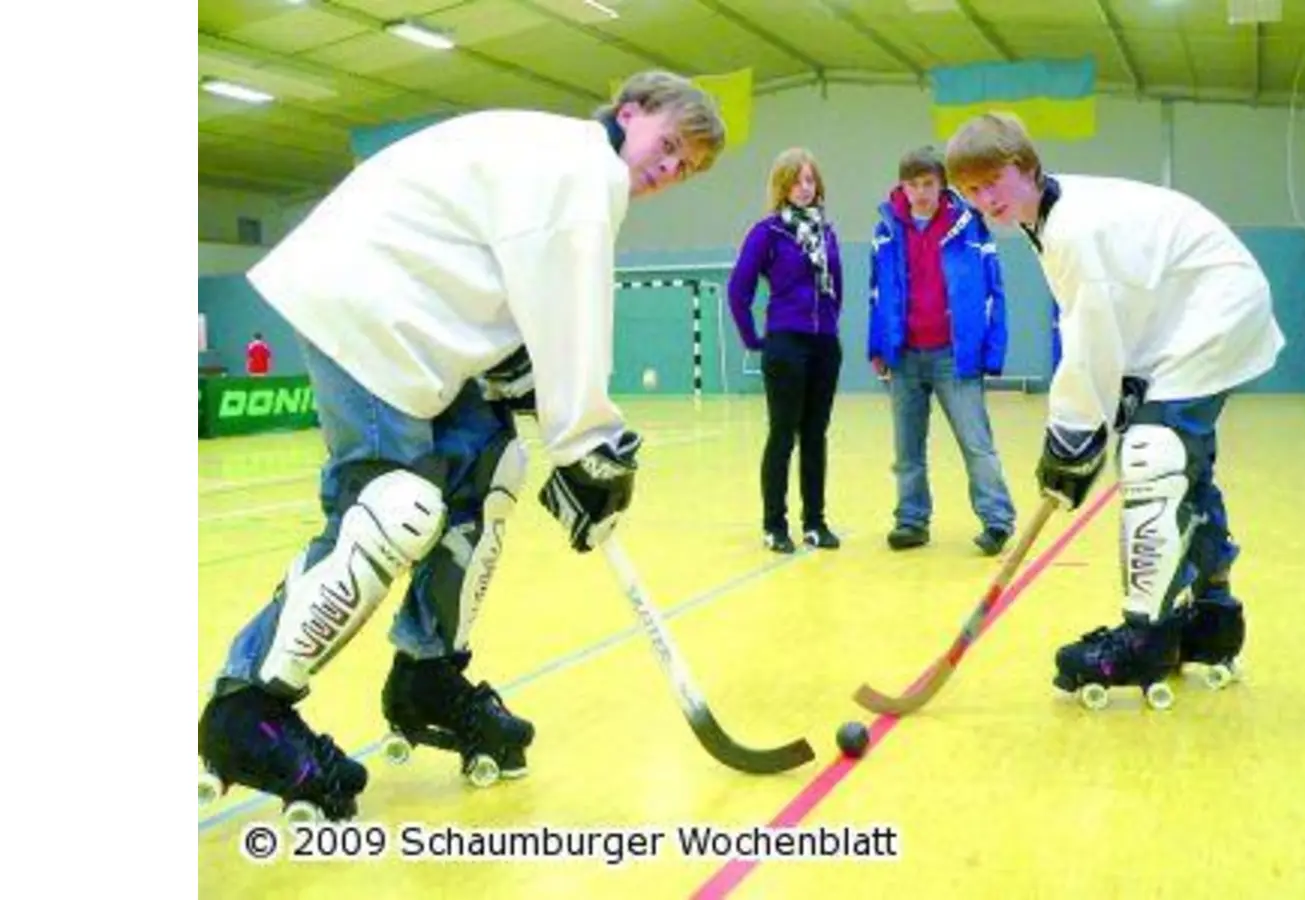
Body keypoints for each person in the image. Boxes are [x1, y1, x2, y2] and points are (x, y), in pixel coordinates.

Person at [196, 71, 726, 820]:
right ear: (629, 112)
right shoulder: (585, 169)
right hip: (371, 309)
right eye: (670, 145)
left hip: (410, 315)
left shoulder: (556, 165)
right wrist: (589, 445)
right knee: (393, 507)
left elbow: (517, 299)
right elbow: (573, 320)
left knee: (492, 461)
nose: (670, 169)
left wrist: (538, 396)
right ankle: (246, 711)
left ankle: (427, 674)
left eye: (687, 168)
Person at [944, 113, 1284, 707]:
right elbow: (1108, 315)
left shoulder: (1070, 227)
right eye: (970, 191)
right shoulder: (1044, 219)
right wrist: (1102, 407)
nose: (983, 199)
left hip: (1216, 308)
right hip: (1189, 314)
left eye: (992, 181)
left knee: (1153, 454)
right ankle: (1212, 617)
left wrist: (1069, 439)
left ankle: (1145, 638)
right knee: (1183, 465)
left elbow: (1090, 337)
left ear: (1025, 167)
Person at [867, 145, 1015, 556]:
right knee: (907, 449)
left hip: (957, 354)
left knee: (976, 442)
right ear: (902, 187)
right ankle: (911, 521)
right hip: (905, 355)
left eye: (928, 183)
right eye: (912, 185)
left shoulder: (970, 226)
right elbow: (876, 291)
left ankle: (997, 520)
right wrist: (876, 343)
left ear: (942, 184)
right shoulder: (886, 229)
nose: (920, 193)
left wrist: (993, 348)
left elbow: (994, 289)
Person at [727, 148, 844, 554]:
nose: (804, 188)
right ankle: (774, 525)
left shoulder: (827, 232)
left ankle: (815, 522)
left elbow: (838, 288)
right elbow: (738, 291)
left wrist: (828, 328)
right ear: (782, 187)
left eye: (810, 180)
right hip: (785, 345)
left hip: (825, 346)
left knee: (816, 436)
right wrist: (753, 339)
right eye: (796, 181)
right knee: (782, 435)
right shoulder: (768, 233)